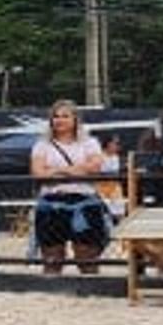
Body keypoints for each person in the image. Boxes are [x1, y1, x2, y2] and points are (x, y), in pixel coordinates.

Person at [30, 99, 109, 275]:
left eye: (65, 116)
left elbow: (95, 167)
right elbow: (38, 173)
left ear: (75, 120)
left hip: (84, 202)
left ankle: (90, 294)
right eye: (55, 116)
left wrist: (57, 171)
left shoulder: (90, 142)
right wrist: (76, 171)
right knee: (52, 258)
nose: (59, 120)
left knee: (87, 257)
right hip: (51, 203)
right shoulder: (42, 145)